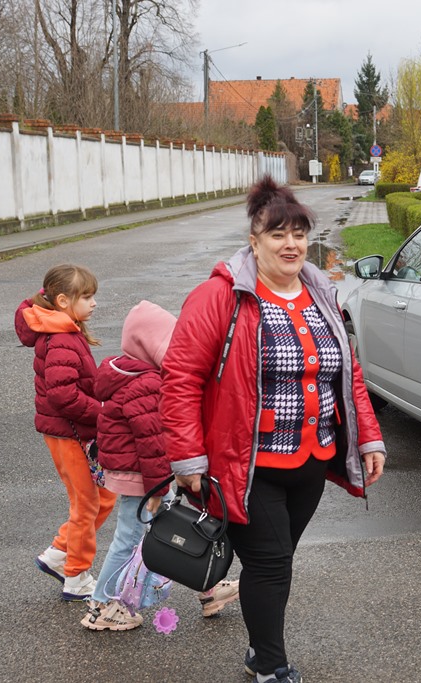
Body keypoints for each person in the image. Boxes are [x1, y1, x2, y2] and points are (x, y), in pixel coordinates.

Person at [162, 176, 387, 683]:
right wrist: (188, 457)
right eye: (277, 235)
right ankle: (269, 664)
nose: (291, 245)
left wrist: (368, 437)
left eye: (299, 234)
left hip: (310, 459)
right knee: (270, 564)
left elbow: (346, 372)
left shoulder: (320, 291)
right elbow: (179, 377)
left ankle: (261, 650)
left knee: (276, 561)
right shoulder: (221, 297)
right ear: (254, 240)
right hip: (247, 465)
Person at [80, 300, 240, 631]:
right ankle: (100, 603)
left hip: (143, 474)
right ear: (151, 345)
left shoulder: (134, 375)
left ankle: (207, 591)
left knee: (171, 530)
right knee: (130, 538)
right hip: (144, 477)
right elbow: (152, 443)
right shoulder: (147, 383)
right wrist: (159, 487)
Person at [15, 264, 116, 602]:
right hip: (69, 434)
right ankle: (76, 575)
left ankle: (59, 554)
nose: (93, 303)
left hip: (74, 432)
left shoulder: (66, 330)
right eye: (86, 297)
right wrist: (101, 412)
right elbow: (63, 395)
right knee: (86, 503)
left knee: (104, 497)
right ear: (62, 300)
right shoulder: (60, 339)